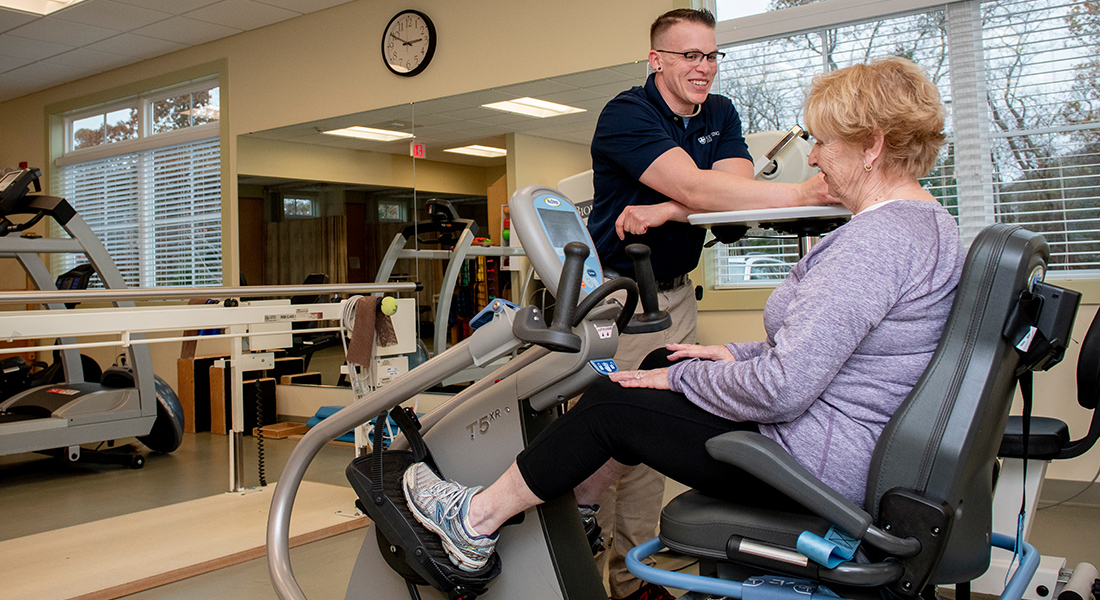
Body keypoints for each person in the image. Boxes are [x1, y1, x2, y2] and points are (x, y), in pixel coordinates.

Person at [403, 54, 960, 598]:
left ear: (873, 146)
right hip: (844, 436)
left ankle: (472, 522)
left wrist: (685, 383)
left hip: (815, 458)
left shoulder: (872, 245)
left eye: (824, 142)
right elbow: (839, 351)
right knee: (660, 360)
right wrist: (729, 356)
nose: (814, 158)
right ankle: (583, 513)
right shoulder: (930, 225)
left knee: (610, 402)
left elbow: (783, 389)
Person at [584, 9, 834, 598]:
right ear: (657, 60)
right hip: (615, 298)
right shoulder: (628, 113)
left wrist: (668, 209)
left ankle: (630, 583)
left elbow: (733, 198)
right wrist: (798, 192)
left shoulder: (719, 111)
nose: (704, 68)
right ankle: (577, 568)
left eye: (712, 55)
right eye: (690, 56)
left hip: (672, 292)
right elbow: (705, 189)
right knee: (608, 429)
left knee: (647, 441)